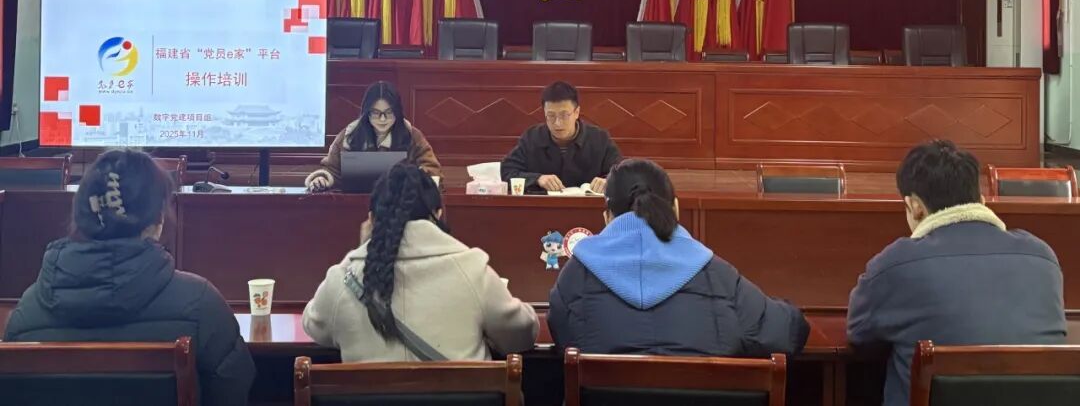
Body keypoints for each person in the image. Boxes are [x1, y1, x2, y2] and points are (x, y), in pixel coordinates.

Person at [4, 149, 254, 406]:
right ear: (158, 220)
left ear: (80, 216)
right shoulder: (202, 305)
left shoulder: (26, 315)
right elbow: (232, 392)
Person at [848, 140, 1066, 406]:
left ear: (915, 206)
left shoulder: (896, 263)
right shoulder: (1043, 257)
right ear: (981, 200)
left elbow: (859, 336)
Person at [548, 158, 809, 356]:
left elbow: (563, 337)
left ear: (607, 217)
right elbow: (790, 333)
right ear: (675, 208)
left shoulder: (575, 276)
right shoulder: (717, 275)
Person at [303, 163, 539, 361]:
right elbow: (521, 335)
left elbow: (315, 326)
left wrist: (362, 250)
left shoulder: (343, 279)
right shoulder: (472, 269)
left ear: (372, 220)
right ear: (438, 214)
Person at [307, 80, 440, 191]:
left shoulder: (412, 135)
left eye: (389, 112)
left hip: (400, 206)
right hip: (355, 205)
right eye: (376, 113)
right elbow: (331, 170)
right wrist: (322, 179)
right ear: (366, 113)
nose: (382, 119)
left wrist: (417, 181)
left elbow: (432, 169)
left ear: (398, 112)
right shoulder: (350, 135)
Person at [500, 81, 622, 193]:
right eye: (551, 116)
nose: (557, 123)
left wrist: (608, 181)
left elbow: (622, 174)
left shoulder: (599, 139)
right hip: (542, 207)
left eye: (564, 115)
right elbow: (507, 171)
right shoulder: (531, 138)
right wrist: (537, 179)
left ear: (576, 112)